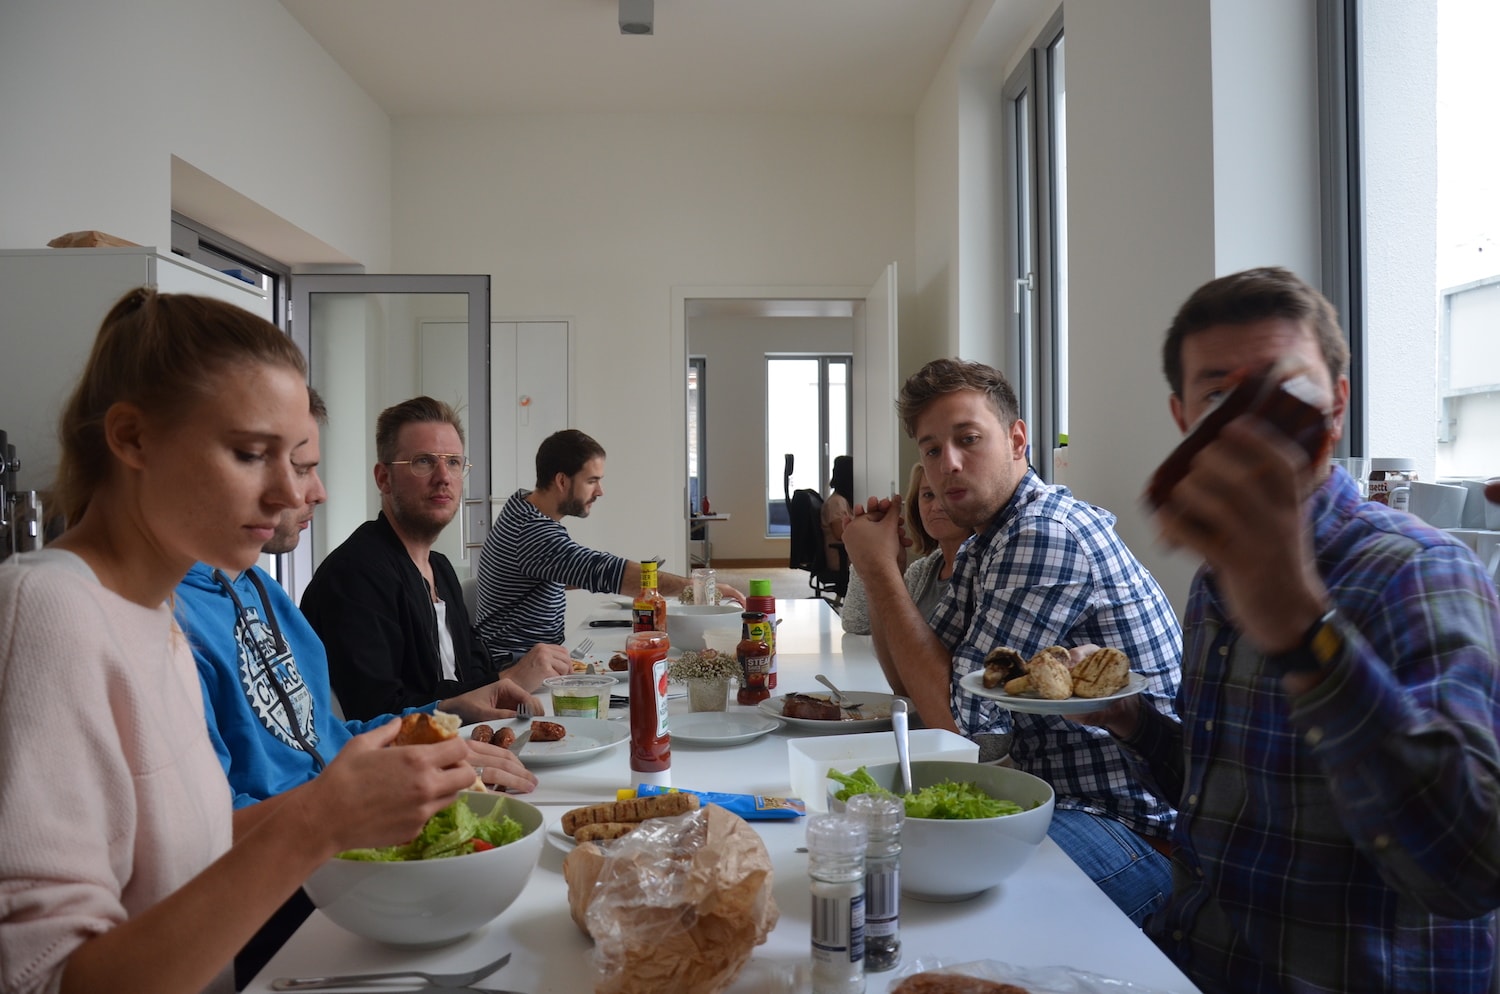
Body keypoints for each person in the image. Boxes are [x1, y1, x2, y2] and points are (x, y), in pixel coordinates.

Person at [0, 289, 479, 994]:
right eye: (252, 454)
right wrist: (317, 822)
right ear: (131, 438)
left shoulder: (155, 609)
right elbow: (47, 980)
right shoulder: (46, 607)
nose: (292, 494)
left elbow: (186, 861)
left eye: (299, 461)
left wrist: (363, 788)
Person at [1083, 267, 1500, 994]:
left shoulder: (1420, 571)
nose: (1252, 423)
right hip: (1195, 962)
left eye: (1288, 391)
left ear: (1336, 406)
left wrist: (1303, 626)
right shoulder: (1219, 578)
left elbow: (1470, 870)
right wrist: (1134, 722)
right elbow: (1242, 794)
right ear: (1183, 418)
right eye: (1219, 395)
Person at [840, 357, 1183, 926]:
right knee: (865, 859)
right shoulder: (987, 543)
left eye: (967, 439)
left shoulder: (1043, 535)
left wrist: (878, 574)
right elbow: (908, 683)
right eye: (930, 450)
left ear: (1017, 438)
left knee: (932, 908)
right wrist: (889, 570)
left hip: (1126, 826)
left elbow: (955, 724)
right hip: (1044, 797)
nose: (946, 465)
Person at [300, 397, 571, 721]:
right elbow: (377, 713)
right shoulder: (354, 577)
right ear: (383, 478)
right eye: (423, 461)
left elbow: (474, 673)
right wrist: (509, 679)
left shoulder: (439, 568)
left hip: (466, 744)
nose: (444, 476)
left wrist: (507, 678)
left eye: (454, 462)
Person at [474, 428, 744, 659]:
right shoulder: (532, 532)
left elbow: (548, 572)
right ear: (561, 480)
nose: (600, 491)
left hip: (531, 656)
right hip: (516, 667)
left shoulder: (521, 506)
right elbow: (603, 570)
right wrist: (695, 588)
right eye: (592, 481)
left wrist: (597, 575)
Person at [841, 462, 967, 635]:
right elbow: (858, 624)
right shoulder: (922, 571)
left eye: (950, 494)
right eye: (929, 495)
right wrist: (872, 561)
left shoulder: (983, 570)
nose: (937, 507)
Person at [821, 454, 854, 572]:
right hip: (841, 559)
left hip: (848, 556)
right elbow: (840, 533)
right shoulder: (836, 502)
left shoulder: (843, 501)